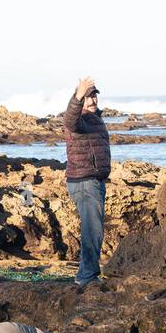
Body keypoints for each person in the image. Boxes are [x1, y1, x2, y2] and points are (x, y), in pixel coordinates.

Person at [63, 76, 112, 290]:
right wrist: (77, 96)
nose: (92, 101)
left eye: (94, 97)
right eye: (88, 98)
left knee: (93, 229)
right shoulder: (79, 119)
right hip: (84, 182)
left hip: (94, 181)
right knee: (92, 230)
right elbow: (69, 119)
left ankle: (88, 273)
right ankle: (86, 276)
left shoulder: (95, 119)